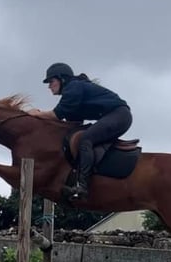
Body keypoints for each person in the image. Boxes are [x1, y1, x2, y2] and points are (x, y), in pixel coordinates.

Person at [28, 62, 132, 201]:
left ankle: (82, 186)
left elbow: (56, 115)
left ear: (62, 79)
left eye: (51, 81)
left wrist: (36, 114)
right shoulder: (73, 90)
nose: (49, 86)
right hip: (116, 116)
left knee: (85, 140)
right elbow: (70, 124)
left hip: (119, 116)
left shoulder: (73, 87)